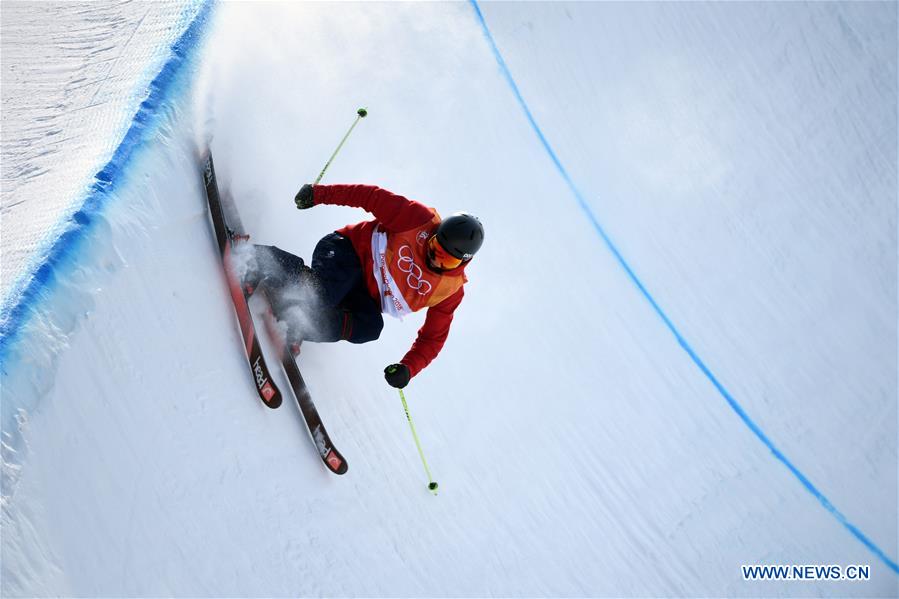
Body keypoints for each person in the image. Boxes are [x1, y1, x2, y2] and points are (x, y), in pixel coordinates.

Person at [242, 182, 484, 389]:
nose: (435, 258)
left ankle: (297, 322)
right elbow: (370, 196)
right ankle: (259, 260)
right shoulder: (417, 219)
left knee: (370, 328)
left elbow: (433, 338)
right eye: (434, 247)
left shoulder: (449, 290)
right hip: (346, 252)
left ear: (463, 262)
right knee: (324, 294)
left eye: (447, 259)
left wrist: (408, 369)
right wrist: (319, 193)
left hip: (364, 293)